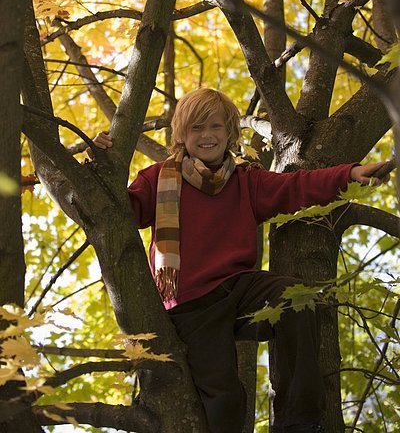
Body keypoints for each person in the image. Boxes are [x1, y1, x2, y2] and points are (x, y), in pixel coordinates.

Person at [92, 88, 389, 433]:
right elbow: (118, 213)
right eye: (197, 128)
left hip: (240, 288)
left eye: (216, 127)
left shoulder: (247, 179)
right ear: (181, 135)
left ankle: (299, 422)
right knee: (226, 400)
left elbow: (296, 186)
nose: (207, 136)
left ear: (231, 133)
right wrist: (99, 165)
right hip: (191, 303)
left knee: (295, 298)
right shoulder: (159, 178)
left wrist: (349, 174)